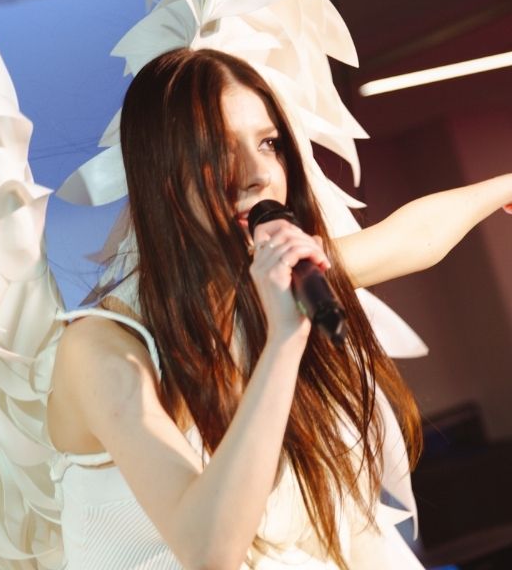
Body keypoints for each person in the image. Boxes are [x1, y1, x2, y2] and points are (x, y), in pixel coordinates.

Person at [46, 47, 512, 570]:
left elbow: (411, 238)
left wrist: (503, 188)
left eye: (268, 144)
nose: (258, 175)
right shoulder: (103, 349)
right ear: (163, 175)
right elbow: (208, 550)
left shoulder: (262, 286)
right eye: (220, 149)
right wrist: (285, 337)